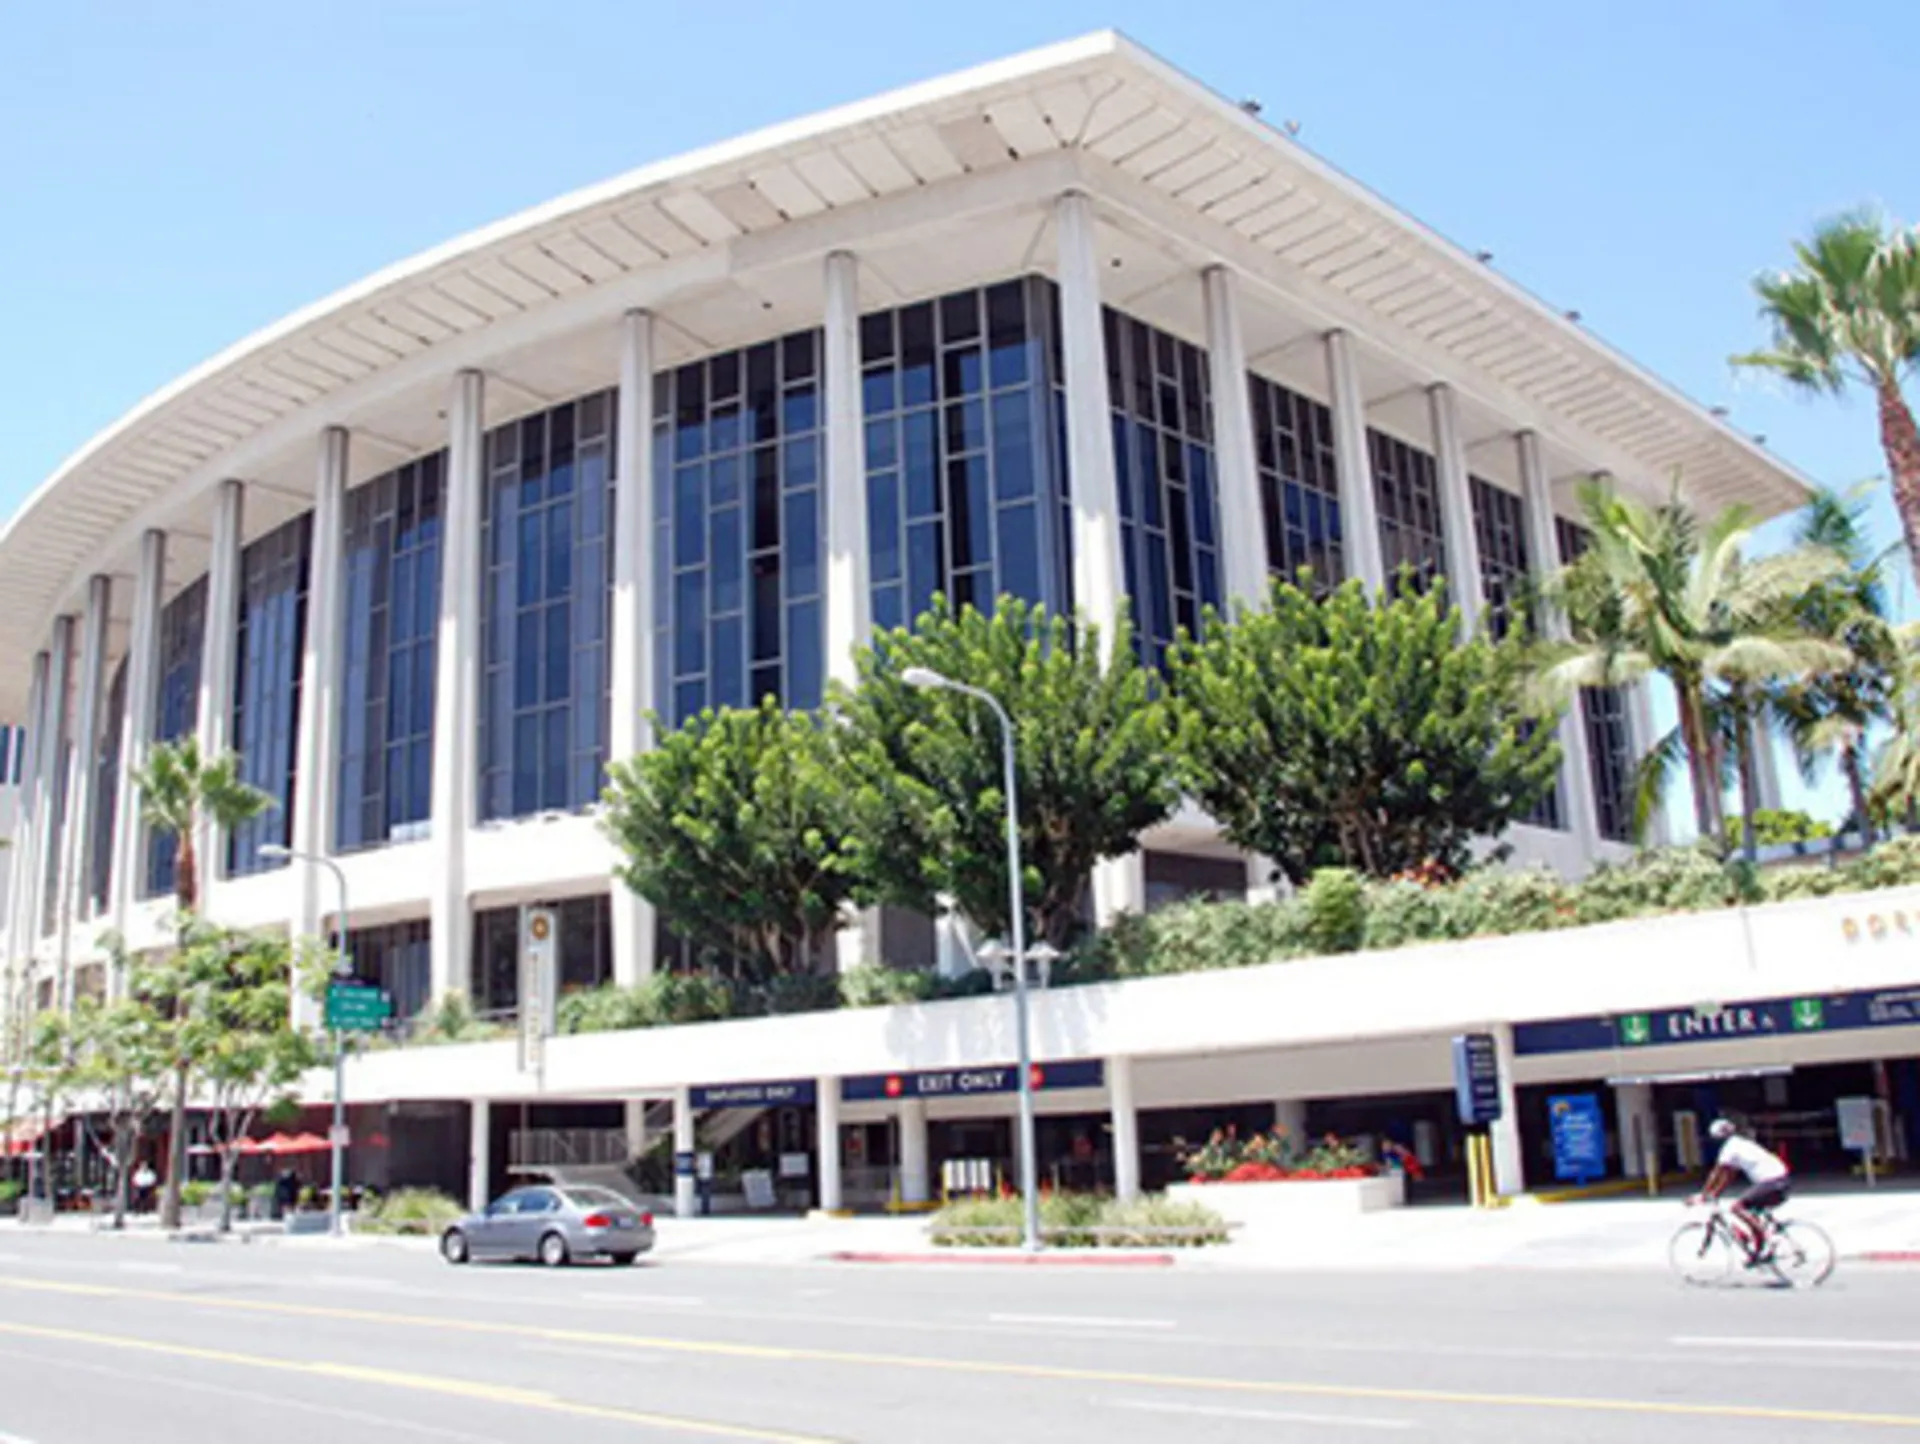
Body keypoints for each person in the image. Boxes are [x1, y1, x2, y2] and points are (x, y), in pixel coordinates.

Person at [1693, 1117, 1790, 1263]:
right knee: (1751, 1210)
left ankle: (1766, 1240)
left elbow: (1717, 1173)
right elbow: (1729, 1176)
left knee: (1736, 1207)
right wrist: (1715, 1194)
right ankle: (1758, 1250)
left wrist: (1703, 1194)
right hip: (1781, 1180)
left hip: (1771, 1182)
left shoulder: (1730, 1148)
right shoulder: (1741, 1144)